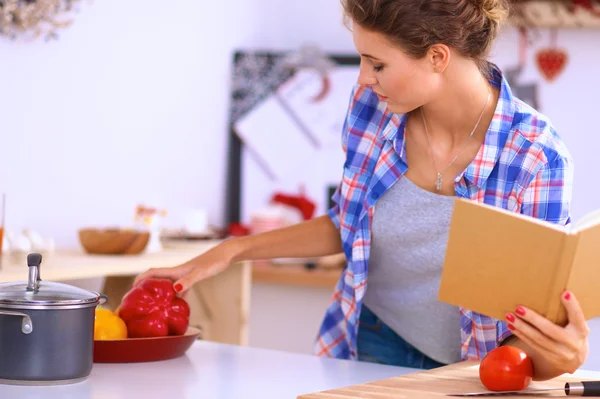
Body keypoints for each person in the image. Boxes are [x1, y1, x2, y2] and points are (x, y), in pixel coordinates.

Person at [135, 0, 590, 380]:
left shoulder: (535, 156)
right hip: (369, 338)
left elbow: (532, 311)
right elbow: (348, 224)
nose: (362, 79)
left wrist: (559, 358)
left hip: (474, 369)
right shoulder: (374, 107)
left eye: (377, 64)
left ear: (437, 57)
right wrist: (228, 252)